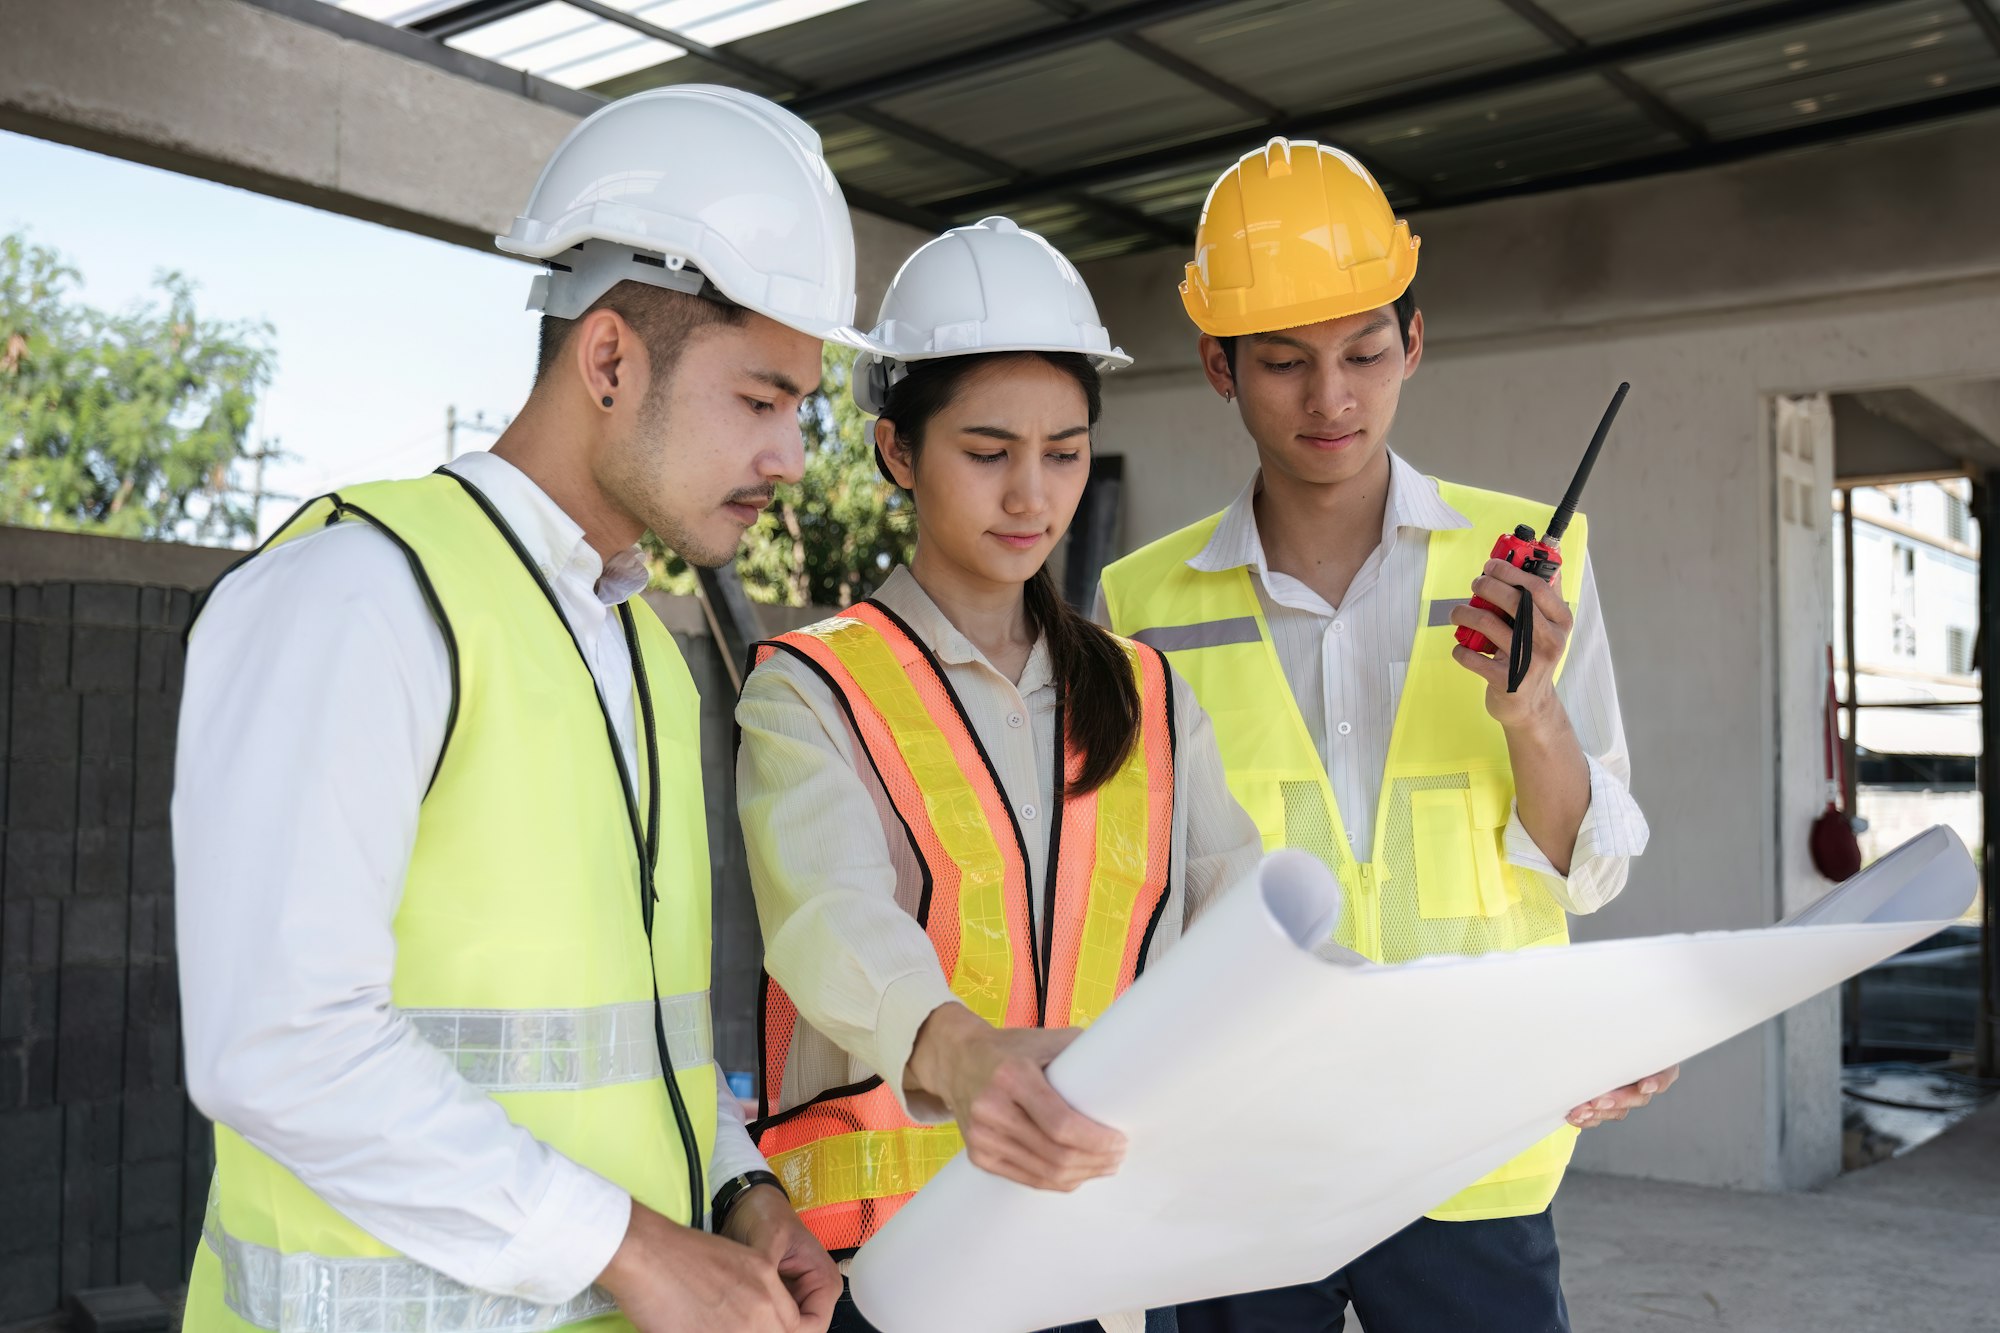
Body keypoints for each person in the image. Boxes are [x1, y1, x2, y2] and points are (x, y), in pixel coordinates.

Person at [172, 86, 868, 1333]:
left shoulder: (647, 655)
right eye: (760, 400)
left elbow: (635, 1042)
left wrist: (737, 1189)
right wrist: (635, 1249)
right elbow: (276, 1046)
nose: (792, 458)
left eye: (801, 410)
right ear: (608, 358)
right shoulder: (358, 596)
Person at [1097, 138, 1671, 1333]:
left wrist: (1529, 709)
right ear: (1217, 364)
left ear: (1414, 341)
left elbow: (1591, 861)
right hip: (1236, 1155)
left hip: (1469, 1141)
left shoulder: (1526, 557)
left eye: (1363, 352)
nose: (1330, 400)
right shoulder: (1137, 601)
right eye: (1283, 363)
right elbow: (1128, 895)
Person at [735, 217, 1265, 1333]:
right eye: (987, 452)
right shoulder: (809, 689)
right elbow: (827, 918)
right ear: (894, 451)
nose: (1031, 494)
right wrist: (962, 1058)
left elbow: (1244, 948)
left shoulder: (1149, 698)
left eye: (1063, 452)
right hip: (894, 1273)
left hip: (1106, 1261)